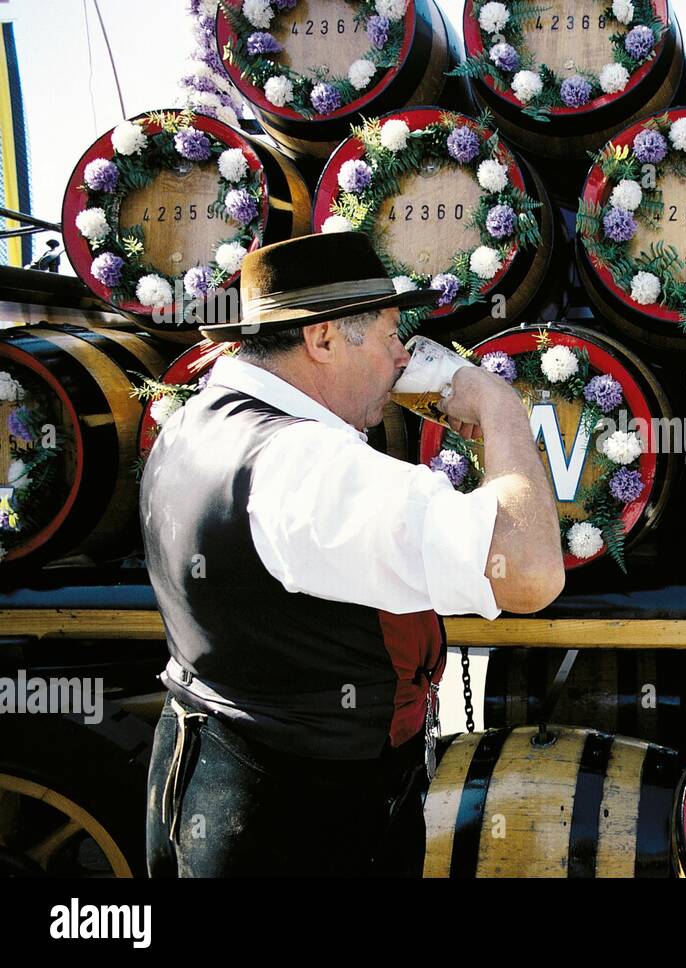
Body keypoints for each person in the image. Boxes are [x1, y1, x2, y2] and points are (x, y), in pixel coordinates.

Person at [139, 232, 564, 876]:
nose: (404, 358)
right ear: (324, 339)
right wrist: (500, 407)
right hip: (298, 821)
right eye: (393, 333)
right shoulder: (302, 465)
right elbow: (530, 572)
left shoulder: (200, 418)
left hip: (211, 780)